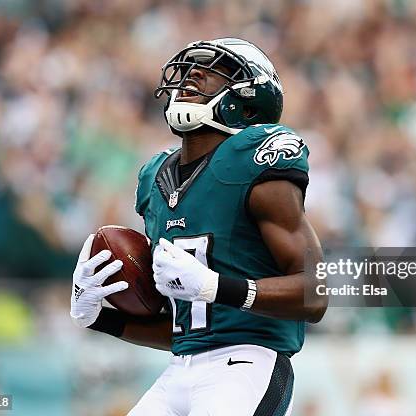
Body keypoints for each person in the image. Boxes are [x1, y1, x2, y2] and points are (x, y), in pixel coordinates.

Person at [70, 38, 327, 416]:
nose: (193, 75)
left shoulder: (254, 159)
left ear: (246, 98)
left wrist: (213, 286)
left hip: (248, 363)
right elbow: (183, 330)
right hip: (180, 369)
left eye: (213, 71)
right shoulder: (156, 180)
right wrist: (99, 317)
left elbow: (315, 292)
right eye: (191, 68)